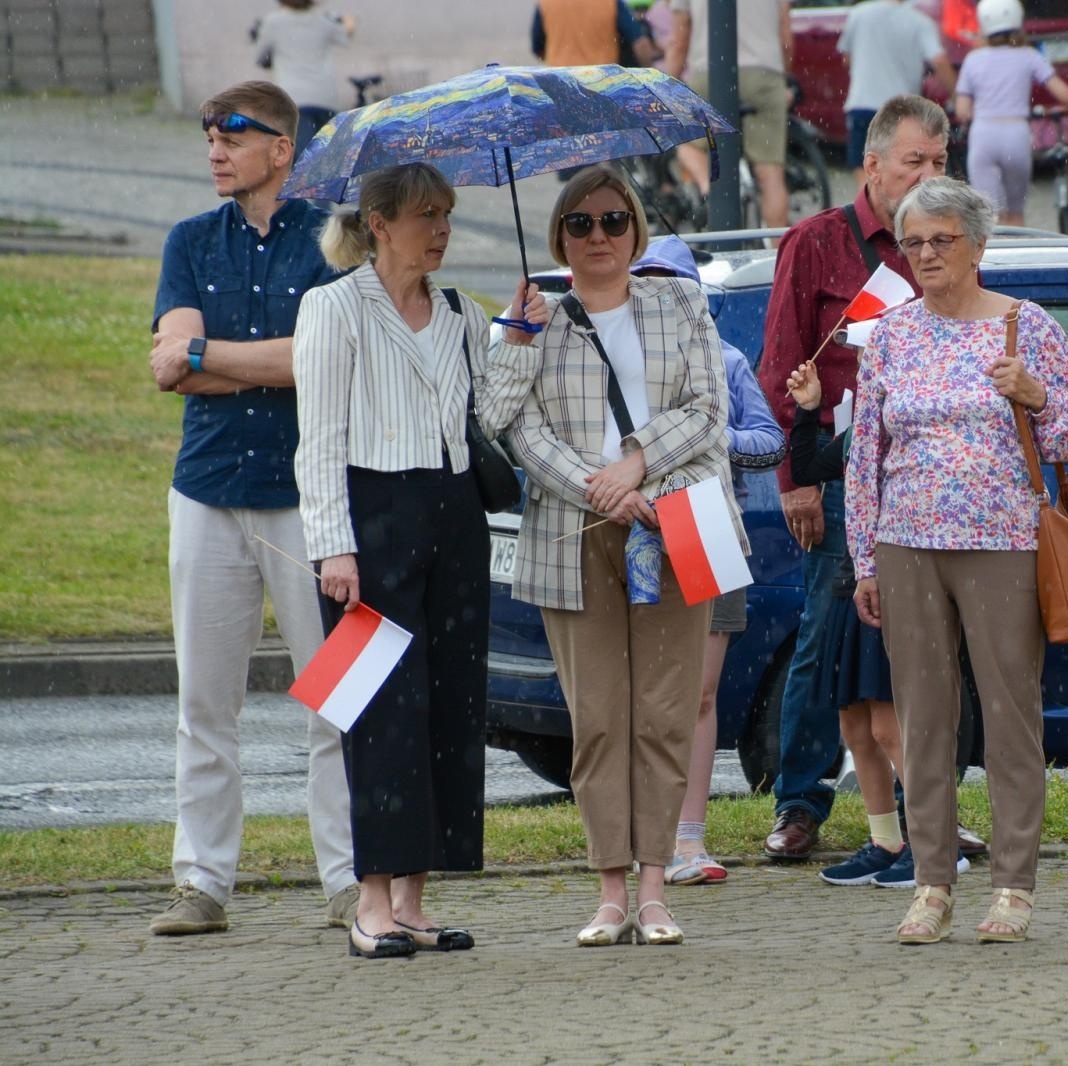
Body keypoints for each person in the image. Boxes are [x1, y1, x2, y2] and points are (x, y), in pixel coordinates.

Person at [293, 162, 545, 958]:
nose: (440, 229)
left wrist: (517, 338)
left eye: (446, 214)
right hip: (373, 519)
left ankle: (413, 899)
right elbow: (319, 439)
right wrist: (334, 544)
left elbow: (488, 418)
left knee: (447, 704)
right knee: (378, 711)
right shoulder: (333, 308)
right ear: (378, 223)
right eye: (425, 215)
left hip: (454, 517)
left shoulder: (461, 313)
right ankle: (369, 901)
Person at [845, 176, 1068, 944]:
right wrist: (865, 556)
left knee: (1009, 714)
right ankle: (931, 883)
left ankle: (1013, 887)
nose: (925, 254)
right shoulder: (889, 334)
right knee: (921, 719)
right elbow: (867, 456)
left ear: (979, 246)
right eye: (913, 241)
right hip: (907, 543)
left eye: (941, 240)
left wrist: (1035, 396)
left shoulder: (1028, 328)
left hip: (1004, 543)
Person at [505, 165, 743, 945]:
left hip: (681, 518)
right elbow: (512, 425)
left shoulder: (679, 299)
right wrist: (597, 486)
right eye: (580, 224)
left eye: (613, 221)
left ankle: (655, 890)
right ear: (559, 237)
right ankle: (610, 891)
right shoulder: (538, 316)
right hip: (576, 534)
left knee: (666, 713)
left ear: (636, 230)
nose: (599, 236)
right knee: (600, 718)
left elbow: (709, 407)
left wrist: (636, 464)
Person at [146, 80, 356, 937]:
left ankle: (349, 878)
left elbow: (323, 359)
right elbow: (169, 366)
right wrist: (258, 356)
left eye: (234, 133)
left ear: (282, 149)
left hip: (310, 501)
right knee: (206, 701)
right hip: (207, 492)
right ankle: (201, 883)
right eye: (208, 133)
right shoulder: (190, 241)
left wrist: (210, 353)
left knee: (334, 700)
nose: (215, 147)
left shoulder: (332, 243)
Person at [754, 94, 947, 863]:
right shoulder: (816, 243)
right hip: (836, 473)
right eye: (915, 162)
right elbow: (781, 366)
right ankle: (800, 802)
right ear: (872, 166)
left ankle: (921, 807)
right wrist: (795, 480)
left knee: (922, 647)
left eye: (940, 162)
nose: (931, 175)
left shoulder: (946, 243)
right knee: (825, 642)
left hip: (925, 473)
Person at [626, 236, 785, 887]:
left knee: (698, 692)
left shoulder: (725, 360)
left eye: (673, 283)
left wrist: (710, 436)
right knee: (639, 690)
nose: (660, 295)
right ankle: (641, 834)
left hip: (710, 524)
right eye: (647, 282)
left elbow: (769, 441)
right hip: (637, 529)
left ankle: (688, 840)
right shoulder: (615, 364)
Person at [783, 359, 974, 889]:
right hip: (852, 586)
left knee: (892, 726)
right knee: (856, 726)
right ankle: (886, 838)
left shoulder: (922, 436)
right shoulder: (856, 435)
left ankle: (936, 842)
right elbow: (805, 466)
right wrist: (808, 409)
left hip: (897, 588)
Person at [954, 0, 1068, 227]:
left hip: (984, 134)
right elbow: (1062, 92)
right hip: (1016, 133)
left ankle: (992, 259)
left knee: (988, 217)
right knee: (1016, 213)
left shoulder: (972, 60)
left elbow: (962, 111)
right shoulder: (1028, 55)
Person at [665, 0, 793, 227]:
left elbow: (678, 42)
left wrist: (664, 90)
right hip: (764, 74)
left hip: (710, 73)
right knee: (771, 173)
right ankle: (777, 255)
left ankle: (711, 191)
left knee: (684, 143)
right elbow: (786, 39)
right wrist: (783, 80)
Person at [837, 0, 957, 187]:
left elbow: (846, 59)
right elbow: (939, 61)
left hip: (862, 104)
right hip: (902, 112)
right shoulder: (919, 22)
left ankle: (868, 213)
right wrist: (956, 96)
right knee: (904, 173)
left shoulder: (859, 14)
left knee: (866, 170)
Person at [252, 0, 355, 159]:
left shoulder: (273, 22)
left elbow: (260, 57)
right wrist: (350, 22)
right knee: (327, 157)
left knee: (301, 160)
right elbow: (345, 36)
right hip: (324, 96)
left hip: (293, 98)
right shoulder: (323, 20)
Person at [531, 0, 661, 68]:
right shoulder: (611, 2)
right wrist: (647, 73)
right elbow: (640, 44)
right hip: (601, 80)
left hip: (559, 79)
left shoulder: (546, 3)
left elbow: (538, 48)